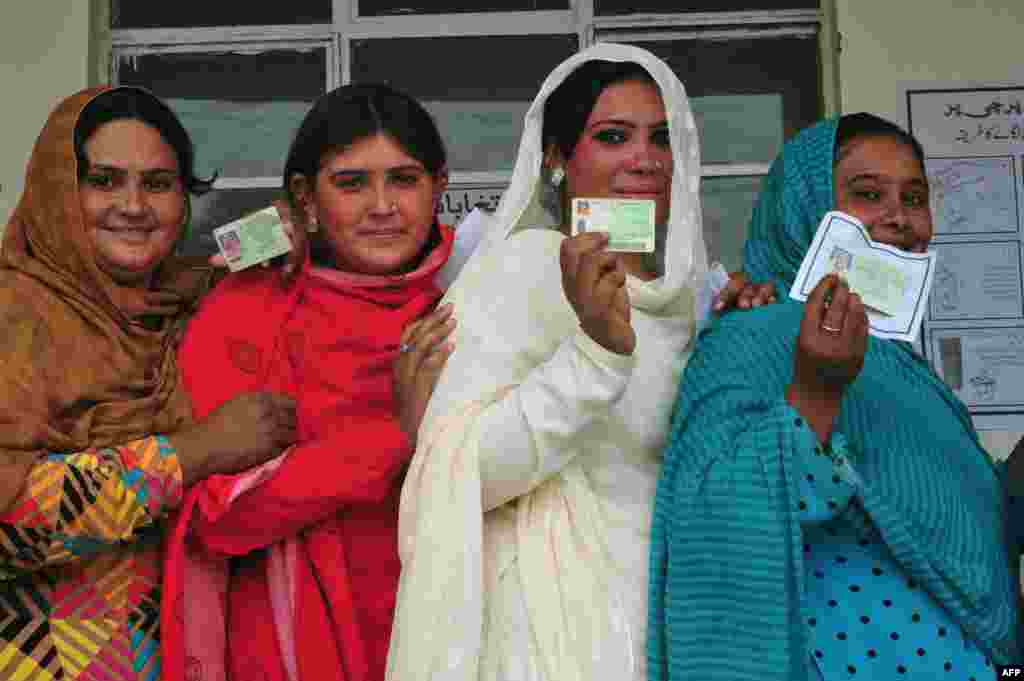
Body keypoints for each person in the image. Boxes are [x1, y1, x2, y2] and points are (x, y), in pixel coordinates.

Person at [386, 43, 771, 681]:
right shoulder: (519, 270)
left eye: (662, 139)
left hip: (680, 628)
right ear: (559, 159)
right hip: (550, 636)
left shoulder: (695, 300)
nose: (643, 159)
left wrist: (746, 343)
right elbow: (459, 471)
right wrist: (592, 354)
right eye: (614, 137)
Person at [648, 112, 1021, 681]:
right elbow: (714, 517)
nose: (898, 218)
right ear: (804, 207)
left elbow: (973, 525)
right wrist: (816, 391)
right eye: (868, 195)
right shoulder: (748, 337)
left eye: (915, 198)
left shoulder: (910, 374)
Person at [161, 83, 456, 681]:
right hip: (288, 644)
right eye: (351, 183)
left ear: (439, 190)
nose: (382, 206)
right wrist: (397, 436)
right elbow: (220, 517)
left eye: (404, 180)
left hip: (447, 631)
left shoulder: (469, 309)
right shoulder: (248, 310)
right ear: (306, 198)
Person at [0, 86, 295, 681]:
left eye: (158, 184)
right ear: (59, 193)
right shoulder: (14, 316)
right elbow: (9, 524)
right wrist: (190, 454)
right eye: (104, 181)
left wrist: (293, 232)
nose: (133, 206)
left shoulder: (179, 303)